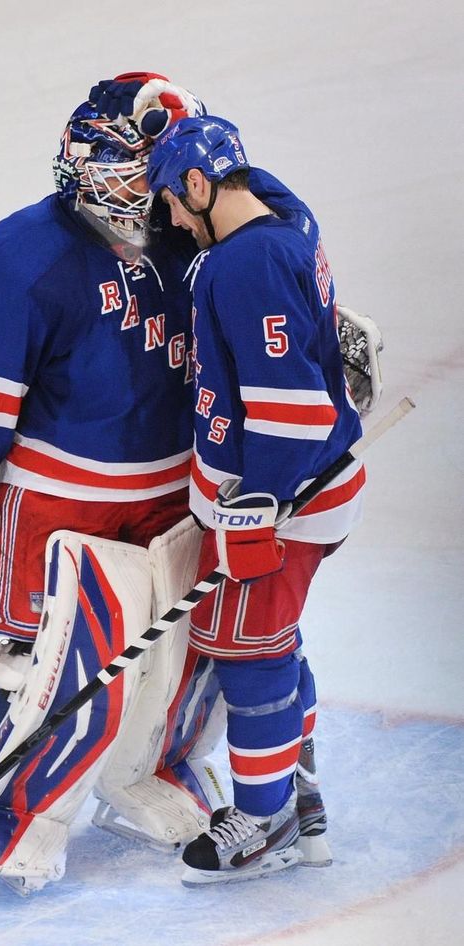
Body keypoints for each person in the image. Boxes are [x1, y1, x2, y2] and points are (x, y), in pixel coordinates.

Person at [0, 77, 233, 896]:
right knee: (56, 666)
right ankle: (13, 812)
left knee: (184, 657)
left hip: (175, 492)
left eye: (143, 164)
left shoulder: (196, 235)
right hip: (61, 502)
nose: (126, 182)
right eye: (117, 161)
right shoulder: (25, 253)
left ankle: (151, 776)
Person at [144, 114, 366, 886]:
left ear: (202, 185)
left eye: (173, 199)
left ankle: (263, 820)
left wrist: (256, 508)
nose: (170, 219)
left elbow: (292, 412)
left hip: (282, 502)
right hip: (312, 489)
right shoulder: (287, 218)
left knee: (250, 654)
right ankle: (299, 791)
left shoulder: (244, 268)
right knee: (275, 641)